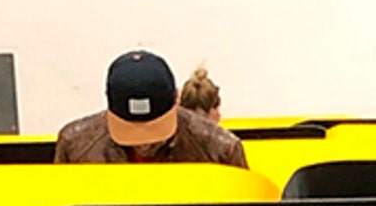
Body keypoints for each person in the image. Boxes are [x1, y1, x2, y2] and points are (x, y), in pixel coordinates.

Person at [55, 50, 246, 166]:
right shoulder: (75, 146)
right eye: (130, 127)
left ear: (176, 99)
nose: (143, 144)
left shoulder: (220, 149)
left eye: (154, 125)